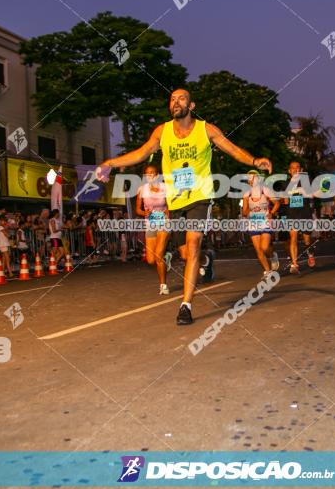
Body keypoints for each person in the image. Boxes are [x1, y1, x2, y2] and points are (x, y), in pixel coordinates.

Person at [97, 88, 272, 325]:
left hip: (200, 197)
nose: (175, 101)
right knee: (185, 254)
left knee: (192, 245)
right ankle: (204, 260)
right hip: (176, 201)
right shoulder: (162, 131)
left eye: (181, 98)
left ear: (191, 106)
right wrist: (110, 163)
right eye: (172, 98)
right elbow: (140, 153)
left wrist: (254, 161)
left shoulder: (205, 130)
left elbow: (231, 148)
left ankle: (185, 306)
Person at [136, 164, 171, 294]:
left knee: (158, 255)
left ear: (157, 174)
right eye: (148, 173)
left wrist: (168, 210)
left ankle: (163, 285)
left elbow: (171, 204)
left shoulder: (165, 187)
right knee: (151, 260)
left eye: (153, 172)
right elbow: (138, 209)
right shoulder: (142, 189)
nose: (151, 175)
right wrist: (144, 213)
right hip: (150, 223)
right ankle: (166, 257)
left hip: (164, 222)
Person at [242, 170, 281, 279]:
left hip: (265, 222)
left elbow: (277, 203)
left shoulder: (265, 190)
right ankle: (267, 271)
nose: (251, 180)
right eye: (249, 178)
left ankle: (272, 255)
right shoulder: (246, 193)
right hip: (253, 223)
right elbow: (244, 212)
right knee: (258, 249)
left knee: (264, 247)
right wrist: (249, 212)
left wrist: (271, 213)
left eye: (253, 177)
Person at [283, 161, 316, 273]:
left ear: (300, 170)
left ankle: (310, 254)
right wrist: (286, 199)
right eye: (292, 168)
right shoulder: (286, 184)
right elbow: (285, 200)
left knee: (307, 240)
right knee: (293, 238)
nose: (295, 169)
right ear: (289, 171)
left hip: (305, 213)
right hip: (292, 214)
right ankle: (294, 264)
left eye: (297, 167)